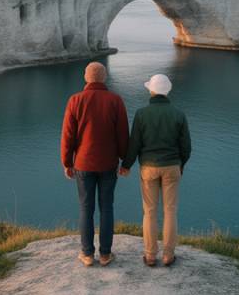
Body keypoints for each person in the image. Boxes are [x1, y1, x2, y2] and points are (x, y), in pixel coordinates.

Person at [60, 62, 129, 266]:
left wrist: (67, 162)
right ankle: (106, 254)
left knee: (85, 208)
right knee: (107, 208)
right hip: (108, 163)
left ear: (86, 77)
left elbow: (68, 136)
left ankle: (87, 254)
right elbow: (123, 135)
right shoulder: (115, 100)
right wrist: (125, 161)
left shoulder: (75, 100)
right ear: (104, 77)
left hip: (82, 164)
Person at [121, 74, 191, 267]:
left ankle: (150, 255)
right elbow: (186, 146)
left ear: (151, 90)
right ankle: (168, 255)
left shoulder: (142, 114)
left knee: (149, 212)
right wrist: (180, 164)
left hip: (149, 167)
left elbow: (134, 143)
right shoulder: (179, 114)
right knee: (170, 211)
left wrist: (126, 165)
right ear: (167, 91)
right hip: (172, 166)